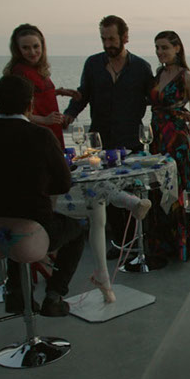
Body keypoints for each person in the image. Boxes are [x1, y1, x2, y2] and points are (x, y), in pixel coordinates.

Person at [0, 75, 86, 316]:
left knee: (11, 223)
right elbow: (63, 183)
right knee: (78, 229)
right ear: (30, 104)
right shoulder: (41, 135)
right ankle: (54, 295)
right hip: (34, 230)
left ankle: (17, 294)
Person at [62, 15, 154, 258]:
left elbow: (155, 97)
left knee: (134, 191)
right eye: (103, 39)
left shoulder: (141, 67)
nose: (107, 44)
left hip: (131, 139)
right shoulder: (93, 64)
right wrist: (69, 114)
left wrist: (179, 111)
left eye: (112, 39)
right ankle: (119, 244)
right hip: (100, 141)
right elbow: (83, 95)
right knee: (106, 193)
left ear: (125, 37)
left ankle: (138, 244)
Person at [146, 30, 190, 261]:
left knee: (180, 190)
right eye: (157, 47)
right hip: (157, 138)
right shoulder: (158, 74)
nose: (160, 52)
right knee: (160, 190)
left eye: (165, 47)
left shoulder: (187, 77)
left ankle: (187, 246)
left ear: (177, 48)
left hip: (178, 140)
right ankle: (165, 245)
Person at [3, 24, 80, 149]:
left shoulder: (36, 68)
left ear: (42, 46)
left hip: (50, 131)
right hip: (36, 136)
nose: (32, 52)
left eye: (36, 46)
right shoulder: (20, 72)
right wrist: (45, 120)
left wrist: (59, 92)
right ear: (17, 50)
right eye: (25, 48)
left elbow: (35, 93)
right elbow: (15, 111)